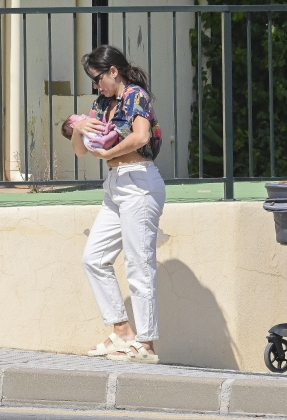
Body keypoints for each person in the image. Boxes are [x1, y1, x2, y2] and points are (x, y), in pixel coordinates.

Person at [70, 45, 165, 364]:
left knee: (139, 264)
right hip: (116, 186)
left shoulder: (136, 95)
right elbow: (82, 151)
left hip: (139, 181)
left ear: (114, 71)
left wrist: (109, 154)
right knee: (94, 257)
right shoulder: (102, 103)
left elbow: (140, 137)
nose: (96, 86)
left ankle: (147, 344)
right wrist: (78, 129)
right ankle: (123, 332)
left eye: (98, 78)